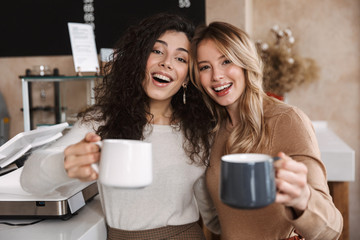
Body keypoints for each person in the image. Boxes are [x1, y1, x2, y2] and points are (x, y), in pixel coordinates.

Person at [20, 13, 220, 239]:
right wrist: (64, 163)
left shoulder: (199, 131)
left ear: (186, 78)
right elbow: (29, 179)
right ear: (139, 58)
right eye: (157, 51)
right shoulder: (101, 121)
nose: (166, 62)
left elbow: (212, 215)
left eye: (181, 59)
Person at [190, 21, 343, 240]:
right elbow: (219, 221)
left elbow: (332, 229)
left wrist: (303, 199)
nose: (216, 75)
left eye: (226, 61)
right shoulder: (213, 130)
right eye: (205, 67)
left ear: (245, 63)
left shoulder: (287, 120)